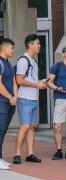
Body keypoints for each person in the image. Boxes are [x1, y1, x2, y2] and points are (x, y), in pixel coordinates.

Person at [13, 34, 47, 164]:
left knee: (32, 127)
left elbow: (31, 79)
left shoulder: (34, 61)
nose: (39, 45)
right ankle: (17, 154)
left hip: (34, 98)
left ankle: (30, 154)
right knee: (25, 126)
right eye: (38, 43)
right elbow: (19, 80)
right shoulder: (23, 60)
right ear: (30, 44)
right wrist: (36, 84)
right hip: (25, 98)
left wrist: (40, 82)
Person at [0, 38, 17, 170]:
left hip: (10, 101)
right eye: (11, 48)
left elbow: (14, 81)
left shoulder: (9, 64)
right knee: (0, 130)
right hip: (2, 101)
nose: (13, 50)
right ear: (4, 48)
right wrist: (10, 97)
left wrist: (15, 96)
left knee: (3, 130)